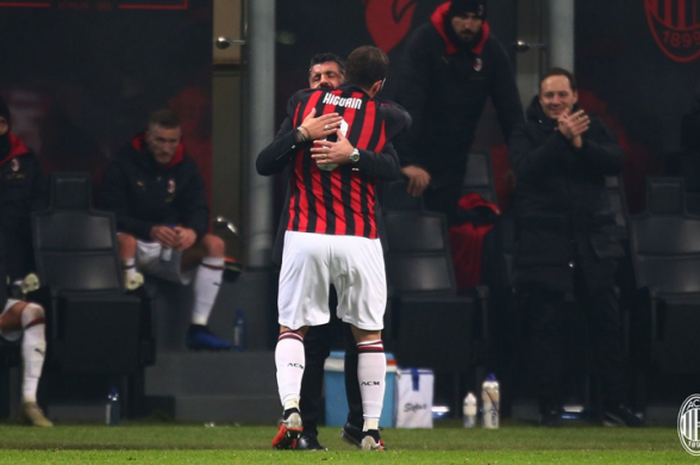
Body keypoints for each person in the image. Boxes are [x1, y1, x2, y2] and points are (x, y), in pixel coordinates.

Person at [257, 45, 410, 451]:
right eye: (317, 75)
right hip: (359, 238)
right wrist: (349, 145)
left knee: (293, 329)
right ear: (377, 84)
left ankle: (292, 409)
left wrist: (339, 147)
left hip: (305, 235)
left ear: (343, 77)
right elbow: (403, 120)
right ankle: (369, 431)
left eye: (330, 75)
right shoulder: (384, 115)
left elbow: (263, 163)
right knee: (368, 337)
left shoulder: (303, 103)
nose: (323, 82)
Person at [508, 67, 643, 428]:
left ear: (575, 96)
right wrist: (560, 139)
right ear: (539, 97)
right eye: (548, 95)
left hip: (593, 244)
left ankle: (614, 407)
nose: (555, 101)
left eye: (562, 95)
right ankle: (548, 408)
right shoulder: (525, 131)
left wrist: (580, 143)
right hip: (543, 244)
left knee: (606, 326)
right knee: (545, 328)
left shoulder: (593, 127)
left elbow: (616, 161)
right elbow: (525, 169)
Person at [100, 109, 230, 351]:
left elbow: (199, 209)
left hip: (168, 250)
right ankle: (133, 318)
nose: (166, 148)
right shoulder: (122, 164)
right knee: (125, 241)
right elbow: (109, 215)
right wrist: (149, 230)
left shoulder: (187, 167)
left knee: (215, 245)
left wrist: (193, 231)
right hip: (132, 247)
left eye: (172, 141)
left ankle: (198, 328)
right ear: (148, 137)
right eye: (160, 140)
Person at [396, 0, 523, 224]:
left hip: (456, 155)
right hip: (416, 152)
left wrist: (521, 161)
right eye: (462, 18)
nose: (468, 25)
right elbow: (408, 103)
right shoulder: (424, 41)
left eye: (475, 19)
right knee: (410, 226)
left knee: (447, 225)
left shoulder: (490, 50)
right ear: (449, 17)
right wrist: (406, 161)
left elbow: (510, 110)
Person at [0, 96, 51, 427]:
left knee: (34, 312)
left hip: (7, 277)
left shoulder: (24, 162)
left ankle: (29, 404)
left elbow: (36, 215)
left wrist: (30, 268)